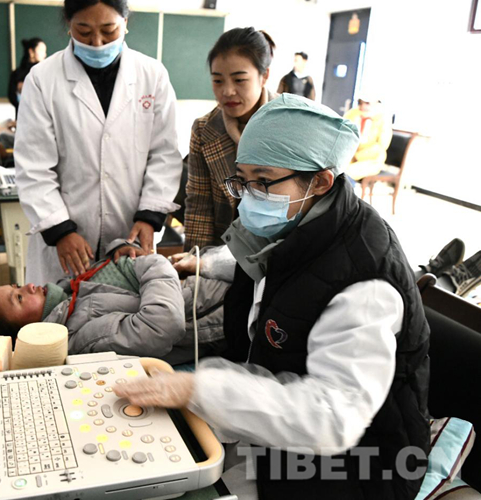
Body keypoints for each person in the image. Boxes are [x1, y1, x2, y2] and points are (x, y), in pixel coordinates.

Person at [115, 94, 431, 499]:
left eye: (263, 181)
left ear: (320, 181)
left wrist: (199, 390)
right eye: (242, 180)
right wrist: (206, 264)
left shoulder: (365, 283)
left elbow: (333, 419)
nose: (249, 196)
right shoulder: (299, 218)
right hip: (282, 437)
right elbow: (275, 265)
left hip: (365, 467)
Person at [14, 0, 182, 284]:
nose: (97, 42)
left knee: (129, 308)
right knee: (62, 308)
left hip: (130, 235)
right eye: (84, 31)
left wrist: (149, 216)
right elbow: (33, 166)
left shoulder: (152, 76)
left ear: (125, 23)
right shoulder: (42, 79)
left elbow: (164, 154)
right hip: (65, 244)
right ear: (69, 26)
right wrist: (60, 230)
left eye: (108, 30)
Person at [0, 243, 229, 365]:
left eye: (17, 286)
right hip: (226, 309)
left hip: (212, 282)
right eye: (18, 298)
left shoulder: (70, 293)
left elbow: (121, 273)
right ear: (26, 334)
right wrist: (156, 264)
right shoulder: (81, 337)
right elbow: (162, 324)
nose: (29, 286)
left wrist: (121, 248)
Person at [184, 27, 277, 250]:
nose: (227, 91)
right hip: (222, 248)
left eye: (239, 80)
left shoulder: (290, 122)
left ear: (264, 76)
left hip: (280, 250)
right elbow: (199, 206)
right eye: (218, 81)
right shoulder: (204, 130)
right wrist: (196, 261)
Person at [343, 94, 393, 181]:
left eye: (367, 103)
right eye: (360, 103)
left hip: (371, 160)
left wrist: (358, 155)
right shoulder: (352, 113)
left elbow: (382, 145)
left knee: (346, 174)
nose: (363, 106)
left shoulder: (383, 118)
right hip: (349, 156)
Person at [8, 37, 47, 113]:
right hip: (23, 114)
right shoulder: (17, 73)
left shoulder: (45, 71)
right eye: (41, 50)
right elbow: (12, 97)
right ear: (31, 52)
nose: (45, 54)